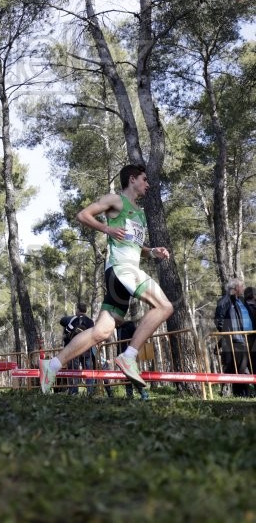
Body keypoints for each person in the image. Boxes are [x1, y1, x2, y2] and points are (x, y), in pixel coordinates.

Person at [40, 164, 172, 394]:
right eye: (144, 179)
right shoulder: (116, 200)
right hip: (122, 270)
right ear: (132, 179)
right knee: (165, 306)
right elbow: (82, 215)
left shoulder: (139, 212)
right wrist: (106, 229)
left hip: (124, 272)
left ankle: (52, 365)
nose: (148, 184)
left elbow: (134, 244)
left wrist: (152, 251)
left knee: (101, 332)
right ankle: (128, 356)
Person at [214, 278, 253, 397]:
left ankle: (243, 393)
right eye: (242, 286)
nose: (243, 288)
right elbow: (219, 320)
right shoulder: (225, 300)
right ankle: (239, 394)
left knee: (243, 367)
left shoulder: (240, 300)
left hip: (247, 338)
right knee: (238, 367)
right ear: (235, 288)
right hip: (235, 339)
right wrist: (228, 334)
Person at [59, 303, 95, 395]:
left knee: (74, 371)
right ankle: (90, 392)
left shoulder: (73, 320)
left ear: (78, 310)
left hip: (74, 351)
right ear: (85, 310)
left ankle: (74, 392)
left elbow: (67, 332)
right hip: (87, 351)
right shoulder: (90, 322)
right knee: (89, 372)